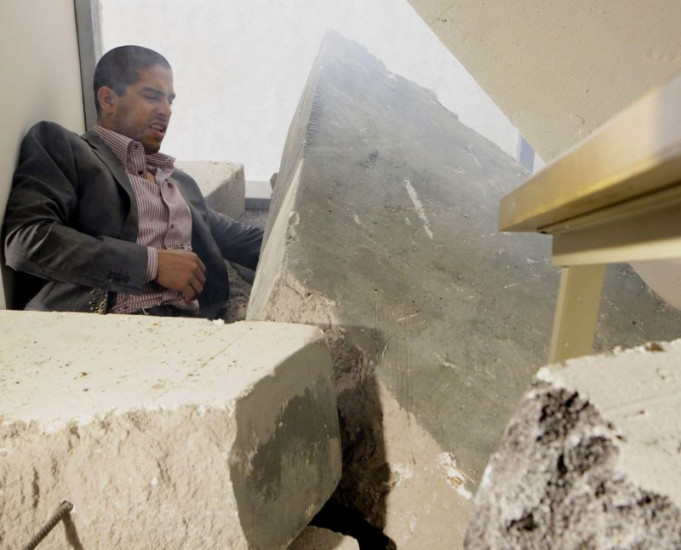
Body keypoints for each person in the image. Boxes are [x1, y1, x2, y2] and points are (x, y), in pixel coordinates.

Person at [3, 45, 263, 319]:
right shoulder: (66, 148)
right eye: (152, 96)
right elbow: (25, 239)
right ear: (108, 100)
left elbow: (244, 240)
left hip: (190, 328)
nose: (166, 110)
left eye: (170, 101)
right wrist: (150, 264)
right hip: (107, 325)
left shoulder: (180, 183)